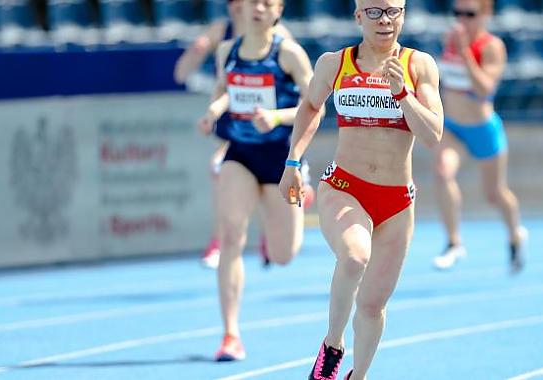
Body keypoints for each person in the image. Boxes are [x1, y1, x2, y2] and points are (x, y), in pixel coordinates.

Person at [279, 0, 443, 378]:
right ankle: (333, 345)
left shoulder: (419, 65)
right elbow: (310, 108)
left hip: (397, 202)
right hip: (344, 186)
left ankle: (359, 375)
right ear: (358, 16)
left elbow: (433, 134)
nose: (384, 20)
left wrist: (403, 95)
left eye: (393, 12)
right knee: (354, 256)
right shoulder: (334, 63)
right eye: (374, 12)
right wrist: (292, 162)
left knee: (372, 306)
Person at [195, 0, 314, 361]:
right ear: (242, 9)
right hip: (241, 156)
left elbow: (316, 107)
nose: (259, 8)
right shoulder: (227, 51)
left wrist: (277, 117)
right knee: (231, 234)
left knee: (283, 255)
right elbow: (224, 90)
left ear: (278, 11)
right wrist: (212, 112)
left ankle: (299, 194)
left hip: (281, 159)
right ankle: (230, 334)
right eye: (254, 2)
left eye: (268, 3)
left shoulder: (289, 54)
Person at [173, 0, 295, 269]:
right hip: (237, 127)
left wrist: (279, 117)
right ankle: (220, 240)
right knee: (220, 167)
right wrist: (196, 55)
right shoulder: (223, 32)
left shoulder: (280, 38)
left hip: (271, 132)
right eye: (234, 3)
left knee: (266, 190)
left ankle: (279, 217)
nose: (240, 8)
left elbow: (302, 93)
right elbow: (184, 71)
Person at [432, 0, 527, 273]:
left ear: (486, 14)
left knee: (495, 193)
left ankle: (515, 235)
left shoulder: (491, 47)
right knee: (442, 172)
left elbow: (485, 89)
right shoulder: (449, 39)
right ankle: (453, 242)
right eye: (457, 13)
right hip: (452, 126)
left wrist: (465, 54)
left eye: (469, 14)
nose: (462, 20)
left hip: (482, 128)